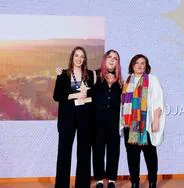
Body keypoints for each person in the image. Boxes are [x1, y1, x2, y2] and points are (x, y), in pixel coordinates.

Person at [120, 54, 165, 188]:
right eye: (136, 63)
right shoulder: (126, 81)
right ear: (132, 65)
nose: (139, 66)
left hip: (146, 124)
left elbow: (158, 101)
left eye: (142, 63)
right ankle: (135, 182)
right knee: (132, 156)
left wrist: (156, 120)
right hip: (129, 124)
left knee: (150, 155)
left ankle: (152, 182)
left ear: (146, 66)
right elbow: (123, 105)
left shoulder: (152, 80)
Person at [53, 46, 95, 188]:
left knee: (84, 153)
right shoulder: (63, 74)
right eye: (76, 55)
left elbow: (92, 96)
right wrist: (75, 95)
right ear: (72, 57)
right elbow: (57, 96)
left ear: (84, 59)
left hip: (85, 118)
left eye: (82, 56)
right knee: (64, 153)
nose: (79, 59)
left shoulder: (89, 74)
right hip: (67, 119)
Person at [93, 50, 123, 188]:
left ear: (118, 62)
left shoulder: (121, 81)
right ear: (105, 59)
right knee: (98, 150)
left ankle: (111, 179)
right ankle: (99, 179)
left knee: (113, 150)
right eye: (109, 57)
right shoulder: (95, 75)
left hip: (114, 122)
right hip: (97, 121)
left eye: (115, 58)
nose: (112, 60)